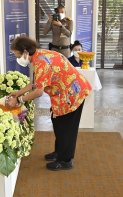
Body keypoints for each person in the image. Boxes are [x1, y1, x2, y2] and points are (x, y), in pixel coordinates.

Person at [6, 37, 92, 171]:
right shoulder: (39, 55)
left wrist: (18, 100)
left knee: (67, 127)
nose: (16, 58)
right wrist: (18, 92)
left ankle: (65, 160)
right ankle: (59, 152)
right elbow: (36, 82)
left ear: (24, 52)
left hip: (72, 93)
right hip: (64, 94)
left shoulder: (41, 62)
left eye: (16, 54)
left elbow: (38, 92)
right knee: (59, 124)